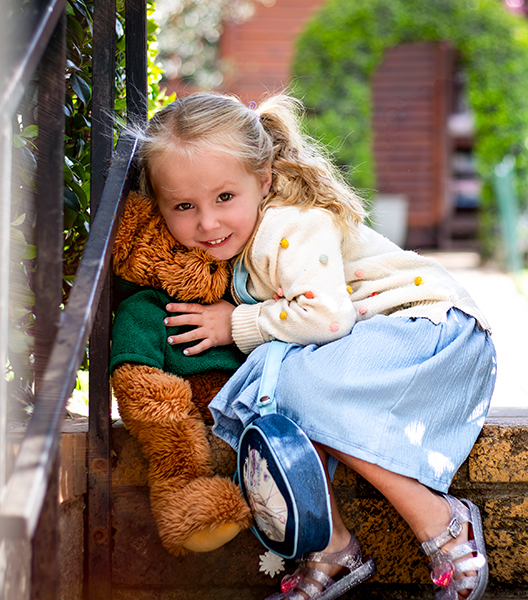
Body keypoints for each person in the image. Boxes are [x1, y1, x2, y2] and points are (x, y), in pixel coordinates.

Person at [133, 91, 497, 600]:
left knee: (288, 386)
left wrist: (236, 322)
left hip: (430, 329)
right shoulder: (237, 235)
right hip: (379, 342)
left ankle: (441, 520)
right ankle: (332, 547)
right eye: (184, 206)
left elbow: (326, 317)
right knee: (274, 394)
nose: (208, 223)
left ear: (263, 180)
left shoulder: (288, 223)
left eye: (224, 198)